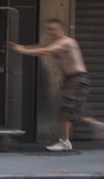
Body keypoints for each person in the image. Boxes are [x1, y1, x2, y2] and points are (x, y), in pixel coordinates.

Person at [9, 18, 104, 151]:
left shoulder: (66, 42)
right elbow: (41, 46)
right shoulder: (55, 42)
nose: (51, 32)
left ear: (62, 30)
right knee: (71, 112)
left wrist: (23, 51)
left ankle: (65, 142)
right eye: (48, 29)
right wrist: (23, 47)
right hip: (72, 80)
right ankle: (97, 125)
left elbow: (46, 51)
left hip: (77, 80)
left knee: (64, 111)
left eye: (54, 29)